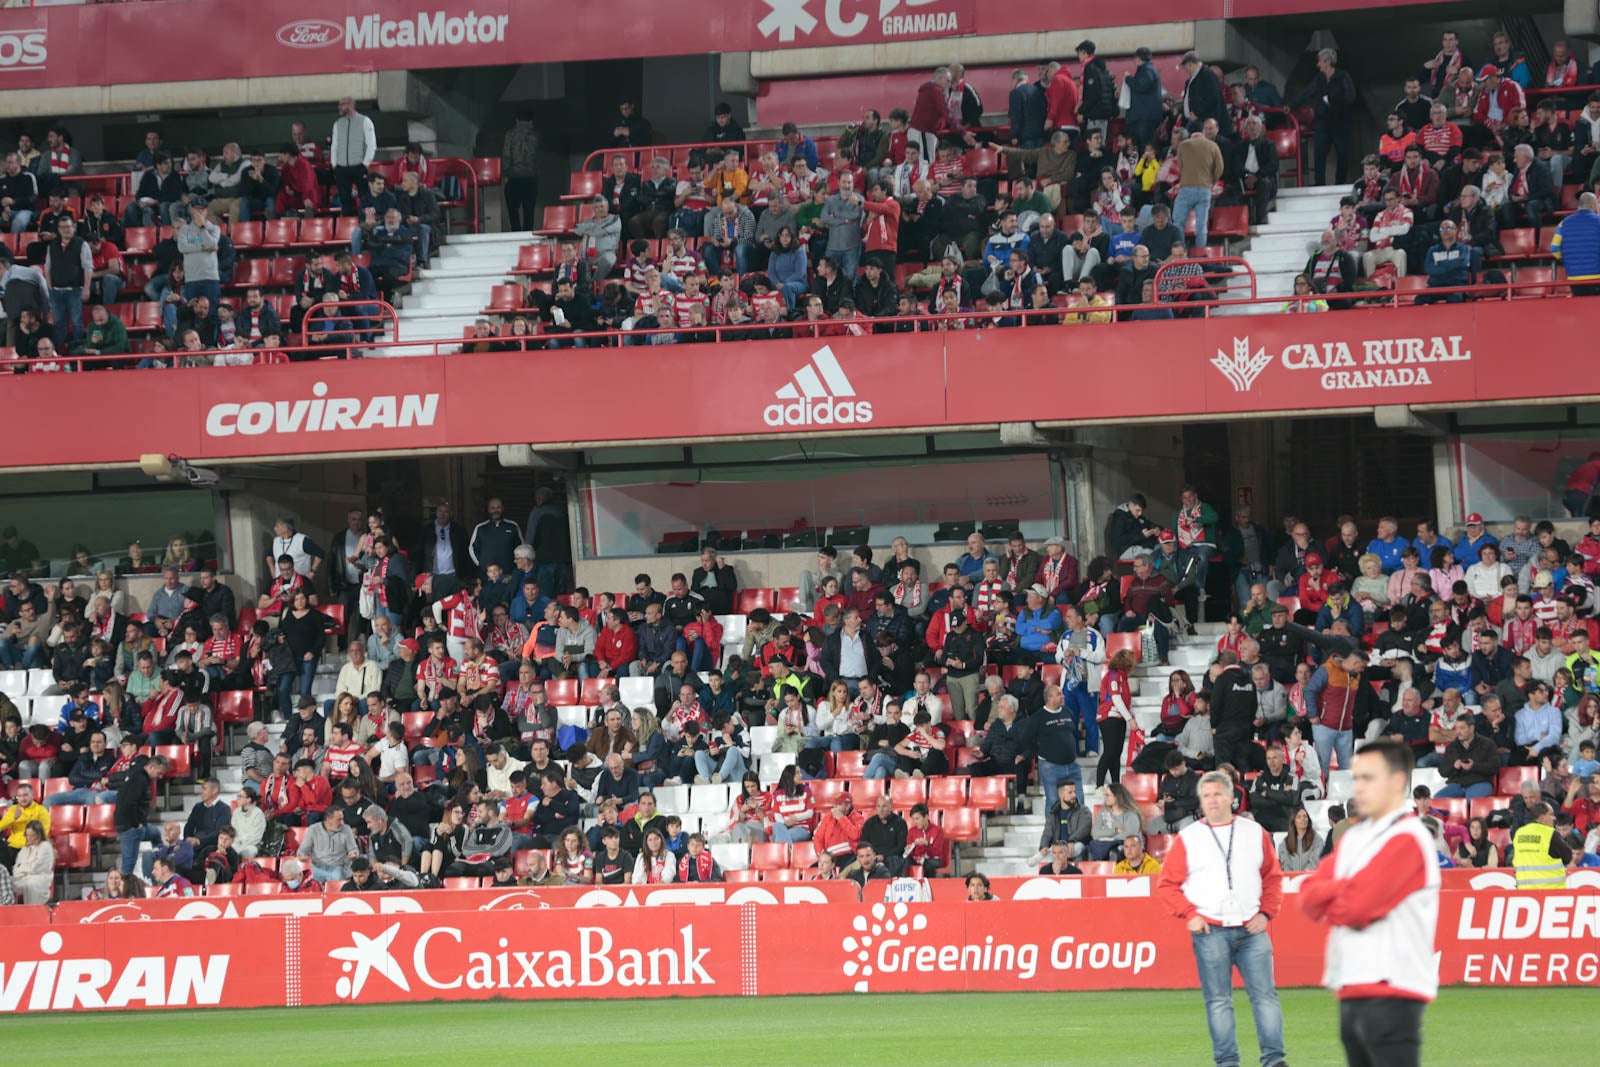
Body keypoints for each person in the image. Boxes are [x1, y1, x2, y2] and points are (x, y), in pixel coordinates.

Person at [1300, 739, 1442, 1067]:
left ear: (1396, 781)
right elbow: (1308, 897)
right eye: (1356, 778)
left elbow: (1356, 909)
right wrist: (1347, 892)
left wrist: (1338, 896)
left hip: (1392, 986)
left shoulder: (1408, 837)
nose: (1357, 787)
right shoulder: (1356, 836)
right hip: (1352, 983)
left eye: (1368, 778)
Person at [1157, 770, 1288, 1067]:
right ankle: (1227, 1062)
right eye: (1206, 796)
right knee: (1218, 1001)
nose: (1212, 801)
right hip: (1210, 931)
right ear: (1200, 802)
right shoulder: (1188, 838)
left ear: (1232, 797)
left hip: (1252, 929)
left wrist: (1266, 912)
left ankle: (1274, 1060)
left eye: (1218, 794)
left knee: (1265, 997)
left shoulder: (1254, 833)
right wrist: (1189, 914)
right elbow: (1166, 884)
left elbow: (1273, 878)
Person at [1510, 801, 1573, 890]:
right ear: (1542, 818)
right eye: (1551, 814)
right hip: (1550, 890)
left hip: (1524, 890)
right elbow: (1568, 856)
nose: (1554, 818)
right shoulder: (1549, 834)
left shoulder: (1519, 833)